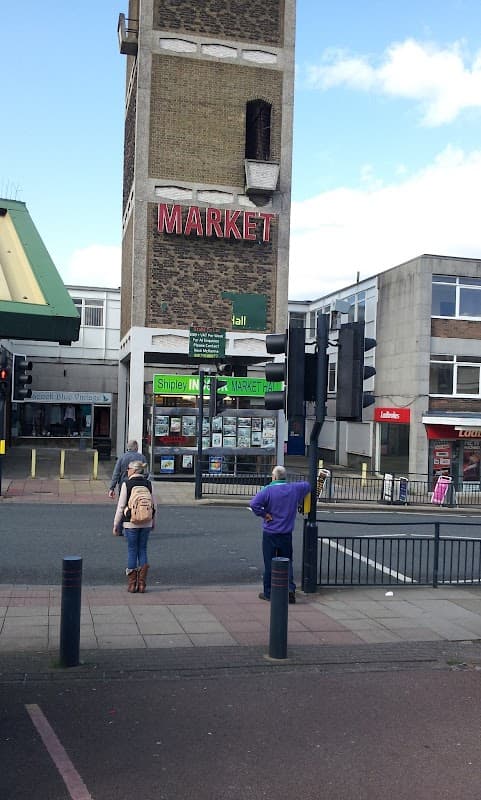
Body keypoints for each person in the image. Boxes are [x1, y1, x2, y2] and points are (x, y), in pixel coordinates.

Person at [249, 465, 310, 604]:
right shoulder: (294, 489)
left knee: (269, 563)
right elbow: (307, 485)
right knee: (287, 562)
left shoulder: (268, 490)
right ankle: (289, 589)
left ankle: (269, 593)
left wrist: (265, 514)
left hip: (270, 533)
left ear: (274, 477)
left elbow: (254, 504)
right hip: (286, 534)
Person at [112, 461, 155, 592]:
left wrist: (116, 524)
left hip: (131, 522)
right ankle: (142, 584)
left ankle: (132, 584)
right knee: (142, 549)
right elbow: (154, 505)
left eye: (129, 469)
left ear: (134, 470)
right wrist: (153, 521)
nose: (127, 471)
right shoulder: (149, 484)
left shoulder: (127, 484)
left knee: (132, 550)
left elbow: (121, 507)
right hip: (146, 522)